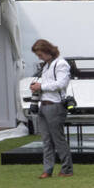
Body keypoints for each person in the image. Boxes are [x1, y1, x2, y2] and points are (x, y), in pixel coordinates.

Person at [29, 39, 73, 178]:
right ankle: (47, 170)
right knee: (46, 140)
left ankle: (67, 169)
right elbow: (50, 83)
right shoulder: (47, 66)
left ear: (48, 51)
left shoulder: (61, 64)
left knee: (58, 139)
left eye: (40, 54)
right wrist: (37, 86)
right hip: (44, 105)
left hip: (56, 105)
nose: (39, 57)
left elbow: (62, 83)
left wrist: (40, 86)